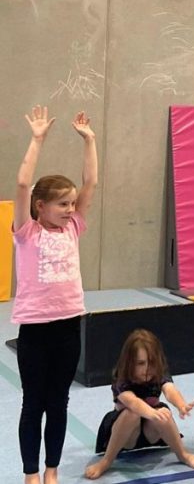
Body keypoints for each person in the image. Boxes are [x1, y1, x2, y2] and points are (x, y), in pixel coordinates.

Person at [13, 106, 98, 484]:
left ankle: (51, 468)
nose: (70, 209)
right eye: (62, 204)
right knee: (33, 402)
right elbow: (21, 185)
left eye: (72, 204)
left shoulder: (73, 227)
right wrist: (37, 140)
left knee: (58, 402)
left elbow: (91, 182)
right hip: (34, 328)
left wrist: (90, 141)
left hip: (67, 326)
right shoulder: (27, 232)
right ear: (40, 206)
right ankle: (31, 472)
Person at [85, 329, 194, 479]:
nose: (147, 369)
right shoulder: (121, 378)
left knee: (164, 413)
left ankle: (183, 454)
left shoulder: (158, 373)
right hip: (126, 436)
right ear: (129, 363)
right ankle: (106, 461)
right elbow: (133, 402)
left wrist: (181, 405)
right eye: (140, 363)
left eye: (152, 362)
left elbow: (170, 390)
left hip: (151, 432)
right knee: (132, 413)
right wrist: (152, 413)